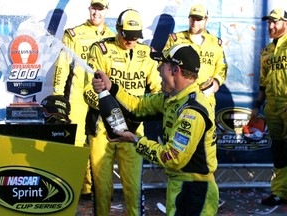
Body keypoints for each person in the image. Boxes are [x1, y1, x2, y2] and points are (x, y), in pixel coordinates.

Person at [92, 44, 219, 215]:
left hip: (194, 190)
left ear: (176, 70)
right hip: (181, 186)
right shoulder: (171, 98)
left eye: (162, 66)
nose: (158, 70)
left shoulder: (191, 110)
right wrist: (111, 87)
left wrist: (135, 140)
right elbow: (137, 107)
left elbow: (172, 157)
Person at [86, 9, 162, 215]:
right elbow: (88, 91)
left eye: (136, 36)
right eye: (127, 35)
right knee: (102, 188)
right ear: (118, 29)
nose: (131, 41)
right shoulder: (100, 50)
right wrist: (110, 112)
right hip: (102, 127)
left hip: (134, 128)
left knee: (133, 187)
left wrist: (145, 110)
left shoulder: (146, 53)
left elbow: (157, 90)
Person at [52, 0, 115, 198]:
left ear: (106, 10)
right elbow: (62, 65)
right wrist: (57, 95)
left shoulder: (113, 36)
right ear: (89, 8)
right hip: (77, 94)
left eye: (100, 8)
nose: (96, 12)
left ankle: (93, 188)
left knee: (99, 141)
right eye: (94, 8)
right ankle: (77, 188)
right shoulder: (74, 34)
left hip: (101, 94)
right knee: (77, 140)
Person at [252, 8, 287, 206]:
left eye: (275, 22)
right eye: (268, 22)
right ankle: (280, 192)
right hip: (273, 107)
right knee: (279, 151)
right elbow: (263, 83)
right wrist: (257, 106)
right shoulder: (266, 50)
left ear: (285, 22)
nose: (271, 26)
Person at [163, 3, 227, 107]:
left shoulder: (215, 43)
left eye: (198, 19)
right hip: (179, 97)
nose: (194, 22)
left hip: (206, 98)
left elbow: (222, 66)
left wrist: (216, 82)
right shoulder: (175, 39)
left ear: (206, 20)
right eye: (192, 18)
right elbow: (164, 64)